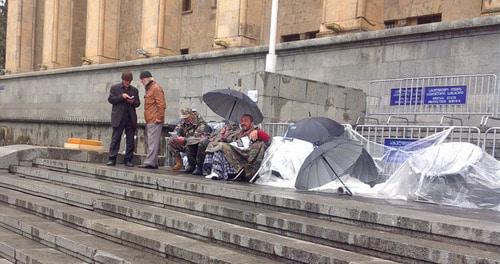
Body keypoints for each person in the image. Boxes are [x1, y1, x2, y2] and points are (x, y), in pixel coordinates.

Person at [203, 114, 270, 181]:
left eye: (246, 121)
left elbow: (267, 139)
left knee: (221, 146)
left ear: (252, 123)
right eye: (241, 121)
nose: (243, 123)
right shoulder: (239, 133)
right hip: (235, 154)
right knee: (214, 144)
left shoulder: (256, 131)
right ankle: (210, 170)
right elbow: (229, 140)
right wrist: (223, 135)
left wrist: (257, 132)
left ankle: (217, 172)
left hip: (245, 159)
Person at [106, 71, 140, 167]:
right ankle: (112, 159)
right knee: (116, 139)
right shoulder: (115, 88)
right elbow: (111, 100)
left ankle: (128, 160)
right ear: (122, 80)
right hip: (118, 117)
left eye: (129, 81)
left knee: (130, 140)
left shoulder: (134, 90)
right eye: (126, 81)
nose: (127, 83)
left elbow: (137, 103)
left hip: (130, 118)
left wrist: (132, 101)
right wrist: (122, 96)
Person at [168, 108, 212, 175]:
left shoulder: (201, 123)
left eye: (187, 118)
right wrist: (176, 136)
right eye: (184, 118)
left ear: (192, 115)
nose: (185, 120)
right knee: (171, 141)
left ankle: (199, 167)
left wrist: (184, 139)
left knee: (198, 143)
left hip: (198, 146)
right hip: (187, 143)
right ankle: (179, 162)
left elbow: (197, 138)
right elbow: (177, 130)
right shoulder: (183, 122)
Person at [138, 71, 166, 169]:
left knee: (152, 142)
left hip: (155, 119)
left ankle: (150, 162)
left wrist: (159, 117)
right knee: (151, 141)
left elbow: (161, 104)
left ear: (146, 79)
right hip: (151, 119)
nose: (141, 82)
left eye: (142, 80)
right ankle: (153, 162)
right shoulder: (150, 88)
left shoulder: (155, 88)